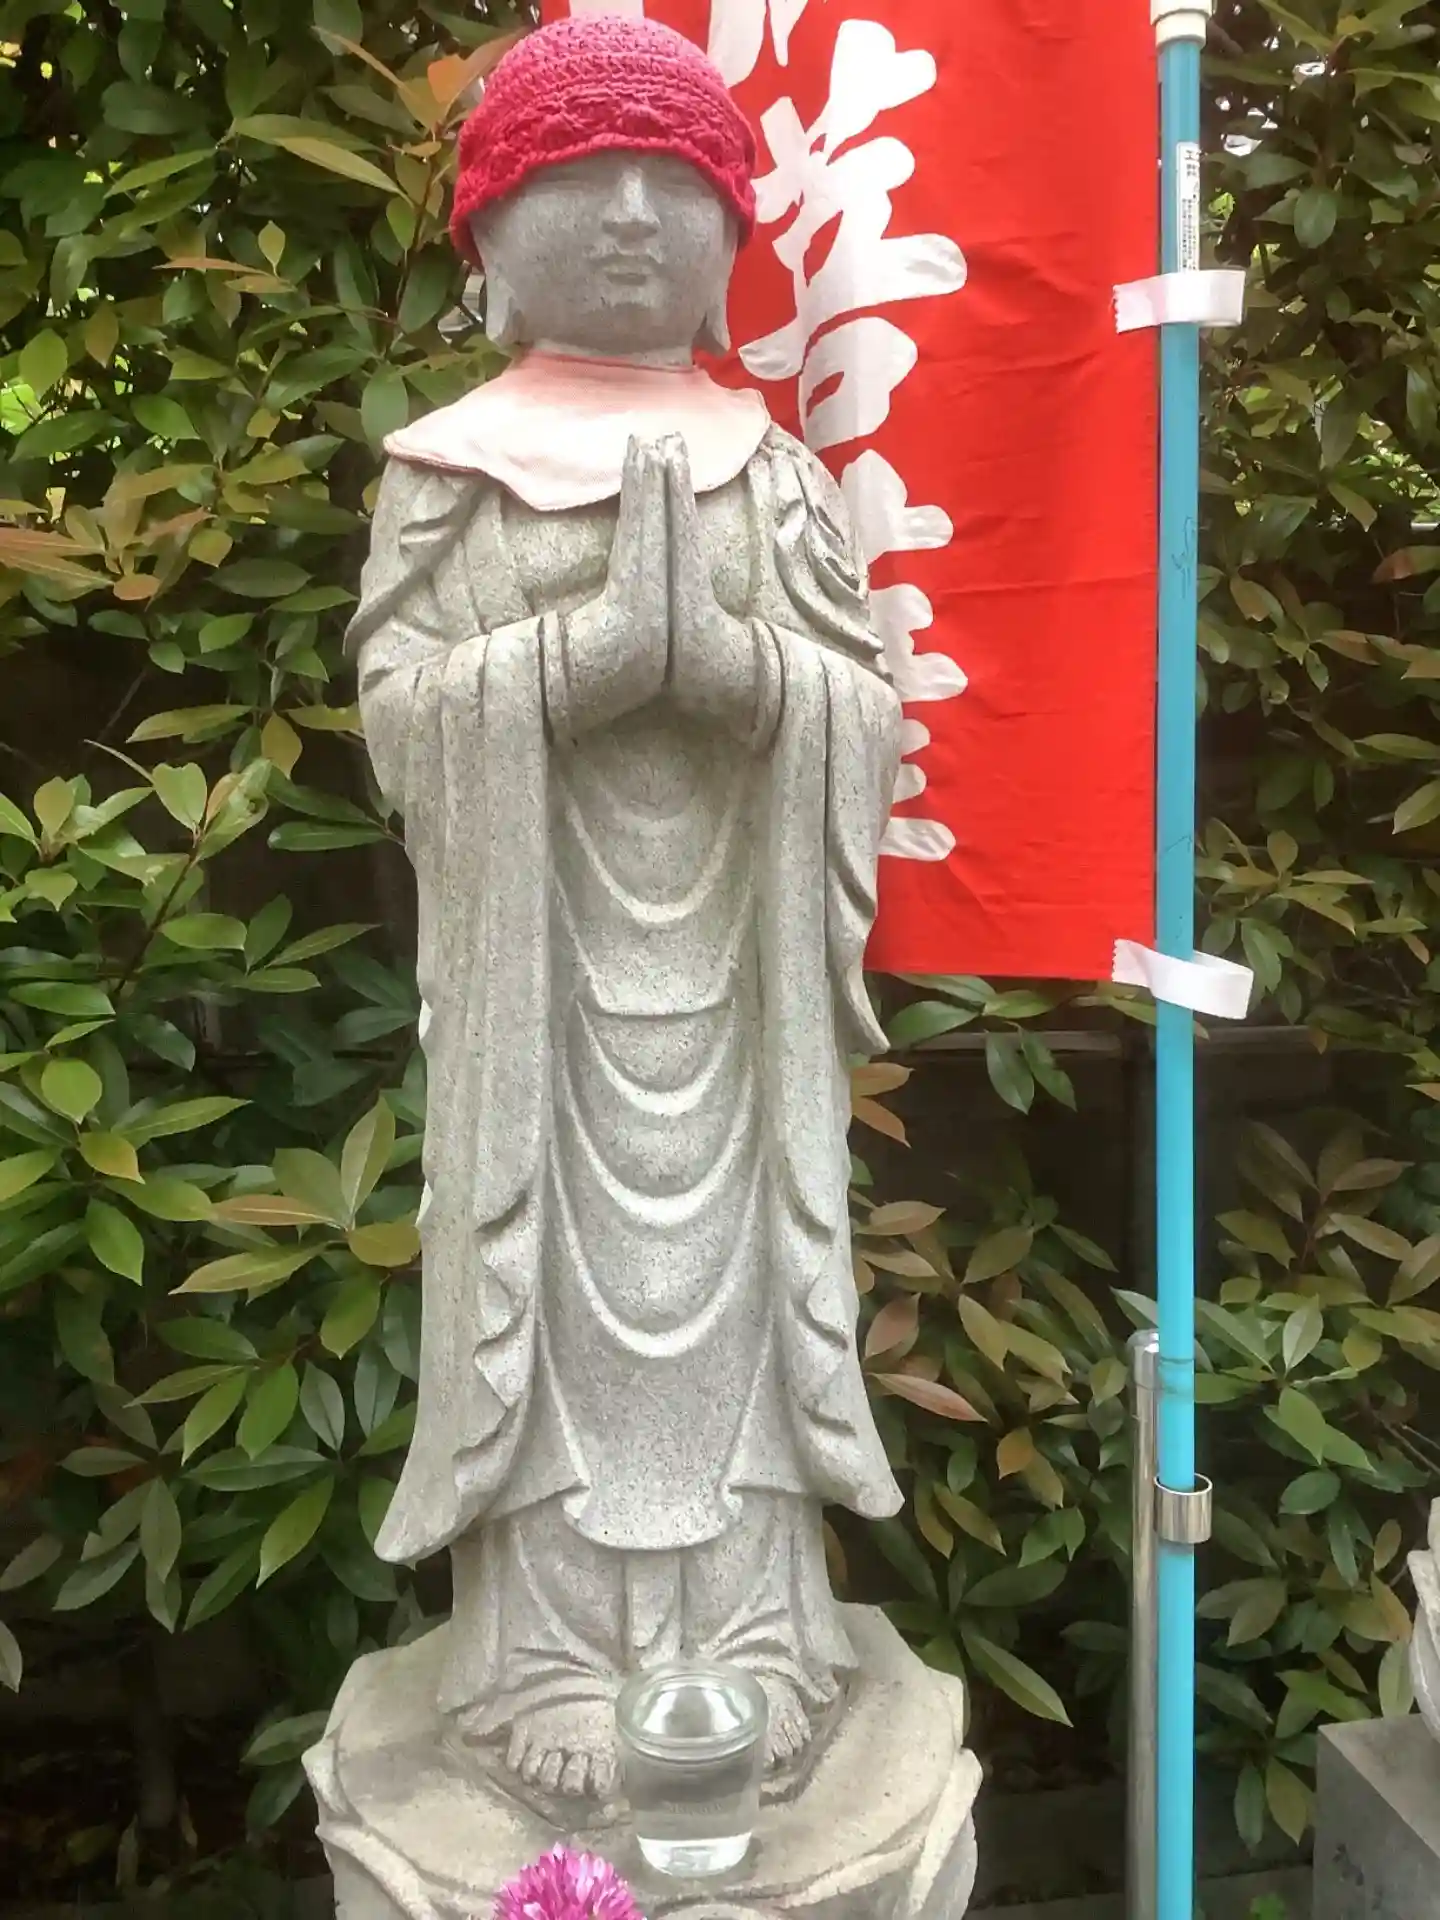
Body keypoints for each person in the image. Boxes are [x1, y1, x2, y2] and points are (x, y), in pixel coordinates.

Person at [348, 14, 903, 1802]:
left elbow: (862, 709)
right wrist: (579, 661)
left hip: (738, 1006)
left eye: (676, 185)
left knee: (745, 1295)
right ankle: (552, 1659)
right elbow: (399, 721)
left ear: (732, 232)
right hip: (542, 1009)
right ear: (489, 236)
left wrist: (739, 673)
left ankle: (752, 1635)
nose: (634, 219)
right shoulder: (446, 471)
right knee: (546, 1299)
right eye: (583, 179)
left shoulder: (774, 472)